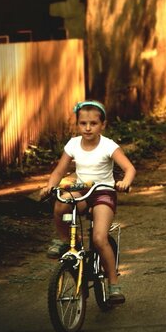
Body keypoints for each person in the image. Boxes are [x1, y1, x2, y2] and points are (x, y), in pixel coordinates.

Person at [40, 100, 136, 304]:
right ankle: (66, 242)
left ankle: (113, 285)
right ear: (77, 124)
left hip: (103, 192)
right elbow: (59, 170)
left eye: (93, 123)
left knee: (100, 239)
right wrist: (50, 186)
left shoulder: (108, 145)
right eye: (83, 123)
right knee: (61, 203)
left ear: (103, 125)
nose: (88, 128)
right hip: (82, 190)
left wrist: (125, 182)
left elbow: (129, 168)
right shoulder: (73, 144)